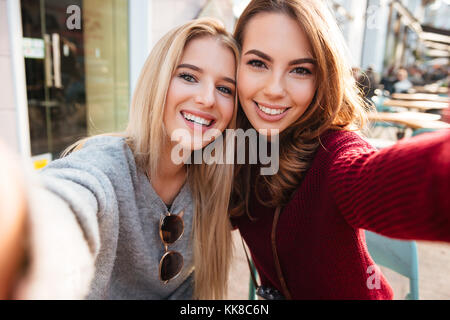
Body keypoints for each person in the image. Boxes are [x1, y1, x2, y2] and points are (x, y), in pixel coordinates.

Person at [0, 17, 238, 300]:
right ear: (157, 82)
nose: (207, 99)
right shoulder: (105, 167)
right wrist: (24, 230)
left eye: (225, 89)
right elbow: (62, 205)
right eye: (188, 76)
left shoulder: (217, 183)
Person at [229, 0, 450, 300]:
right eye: (258, 63)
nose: (274, 89)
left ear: (323, 77)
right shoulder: (237, 149)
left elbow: (411, 179)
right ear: (235, 66)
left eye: (300, 70)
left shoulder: (334, 155)